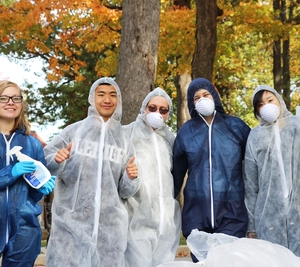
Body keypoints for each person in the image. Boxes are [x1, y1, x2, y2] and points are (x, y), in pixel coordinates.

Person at [44, 77, 141, 267]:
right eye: (101, 94)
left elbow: (125, 191)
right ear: (91, 98)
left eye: (113, 95)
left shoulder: (123, 141)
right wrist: (57, 160)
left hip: (110, 232)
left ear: (118, 100)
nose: (107, 99)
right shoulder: (74, 132)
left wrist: (131, 178)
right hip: (71, 226)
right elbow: (45, 163)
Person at [172, 77, 251, 262]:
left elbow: (254, 166)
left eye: (206, 94)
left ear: (214, 96)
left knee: (229, 264)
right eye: (196, 97)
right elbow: (175, 175)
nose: (202, 100)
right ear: (192, 103)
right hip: (196, 215)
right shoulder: (186, 132)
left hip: (232, 213)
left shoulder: (236, 127)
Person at [123, 87, 181, 267]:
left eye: (163, 110)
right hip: (136, 221)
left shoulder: (170, 139)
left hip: (166, 223)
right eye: (152, 108)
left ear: (168, 114)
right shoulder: (127, 134)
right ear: (144, 108)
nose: (157, 113)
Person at [0, 80, 55, 267]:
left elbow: (33, 195)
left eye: (16, 98)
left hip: (25, 229)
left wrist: (43, 185)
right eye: (4, 98)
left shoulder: (32, 144)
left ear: (21, 104)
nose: (10, 102)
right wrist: (11, 173)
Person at [243, 85, 300, 256]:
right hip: (268, 217)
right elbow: (251, 184)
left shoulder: (296, 128)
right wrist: (251, 226)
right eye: (260, 105)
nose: (266, 106)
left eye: (270, 100)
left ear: (280, 101)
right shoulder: (255, 136)